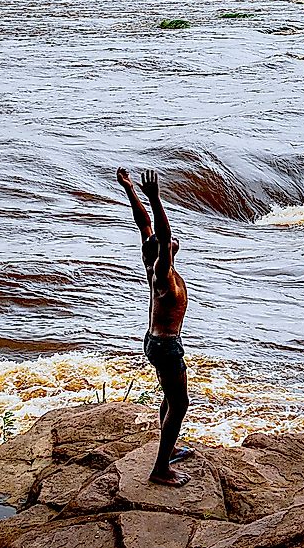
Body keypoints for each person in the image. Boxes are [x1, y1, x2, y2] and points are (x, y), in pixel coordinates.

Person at [117, 167, 193, 487]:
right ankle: (160, 470)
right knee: (180, 403)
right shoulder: (163, 271)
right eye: (168, 241)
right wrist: (156, 197)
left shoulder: (152, 259)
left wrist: (130, 189)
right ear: (162, 250)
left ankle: (169, 447)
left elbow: (144, 223)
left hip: (155, 341)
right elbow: (161, 233)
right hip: (165, 345)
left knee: (170, 397)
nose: (173, 240)